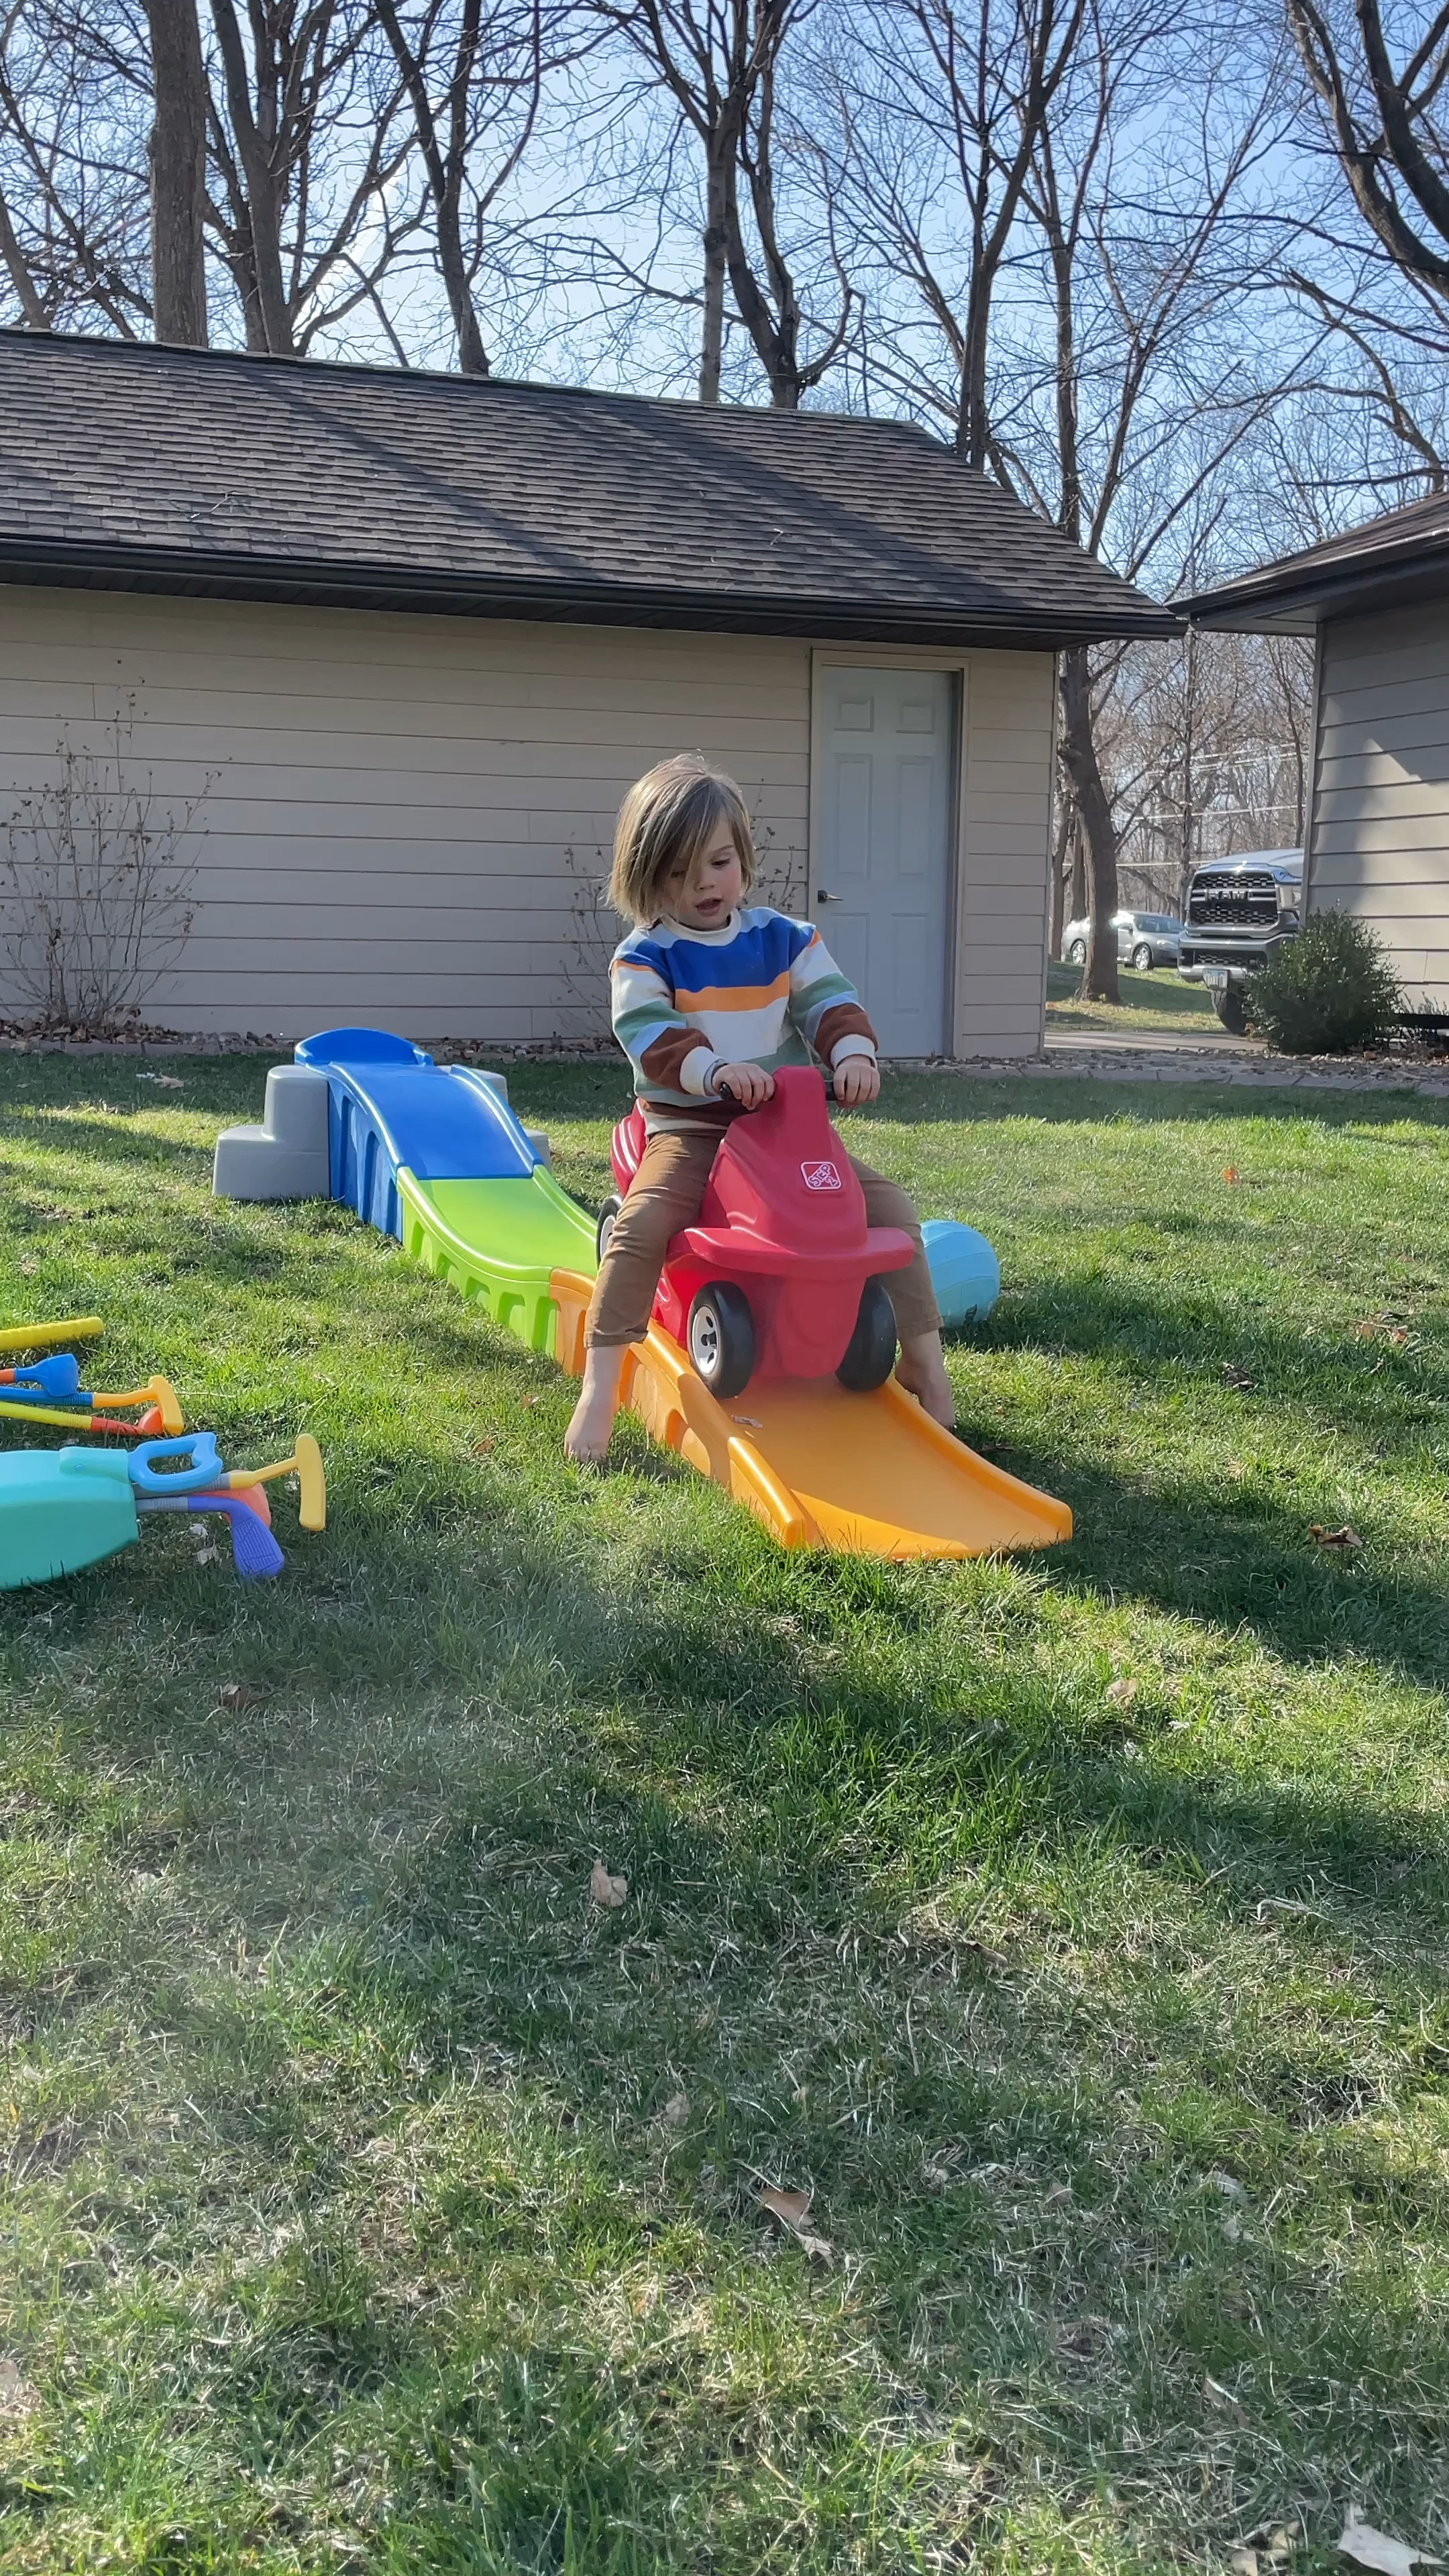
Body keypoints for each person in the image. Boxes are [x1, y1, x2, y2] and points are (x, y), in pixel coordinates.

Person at [564, 753, 956, 1462]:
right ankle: (600, 1382)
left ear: (742, 855)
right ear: (647, 879)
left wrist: (853, 1055)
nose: (703, 884)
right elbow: (649, 1034)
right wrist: (714, 1071)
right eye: (679, 874)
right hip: (693, 1128)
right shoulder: (646, 955)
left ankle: (924, 1358)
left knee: (890, 1210)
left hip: (784, 1129)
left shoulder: (787, 939)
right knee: (643, 1224)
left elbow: (829, 1000)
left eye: (717, 862)